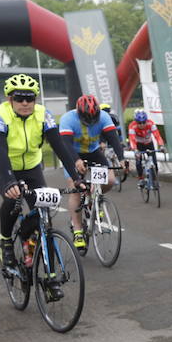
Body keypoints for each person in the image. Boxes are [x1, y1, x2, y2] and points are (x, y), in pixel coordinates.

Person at [0, 74, 84, 268]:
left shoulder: (43, 114)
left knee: (42, 209)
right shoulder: (0, 114)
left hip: (31, 167)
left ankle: (29, 243)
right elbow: (0, 150)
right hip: (1, 165)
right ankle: (5, 241)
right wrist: (9, 181)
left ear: (35, 99)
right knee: (13, 198)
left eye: (29, 98)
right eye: (19, 98)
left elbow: (60, 148)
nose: (24, 103)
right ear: (9, 99)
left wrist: (76, 178)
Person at [60, 95, 125, 249]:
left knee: (110, 180)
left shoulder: (103, 117)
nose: (90, 120)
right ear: (78, 113)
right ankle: (77, 231)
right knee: (75, 189)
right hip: (73, 154)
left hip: (93, 152)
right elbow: (65, 145)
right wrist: (76, 161)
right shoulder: (68, 119)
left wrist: (122, 159)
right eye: (86, 118)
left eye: (93, 117)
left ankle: (94, 198)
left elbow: (114, 139)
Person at [127, 110, 165, 187]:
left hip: (149, 143)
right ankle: (140, 179)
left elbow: (157, 135)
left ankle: (154, 180)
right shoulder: (132, 126)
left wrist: (161, 145)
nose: (142, 124)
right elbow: (132, 139)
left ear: (146, 121)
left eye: (144, 122)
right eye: (139, 123)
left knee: (154, 162)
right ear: (136, 122)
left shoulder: (151, 123)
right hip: (138, 145)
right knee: (138, 161)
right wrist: (135, 150)